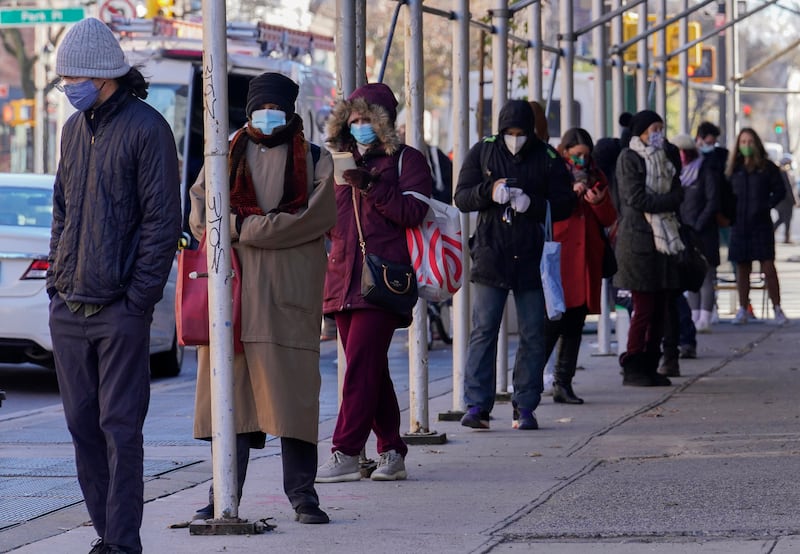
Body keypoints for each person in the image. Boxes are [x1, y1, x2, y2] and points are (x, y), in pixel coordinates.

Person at [47, 18, 182, 554]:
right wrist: (57, 283)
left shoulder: (148, 129)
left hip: (120, 309)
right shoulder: (71, 132)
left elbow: (161, 224)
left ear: (104, 77)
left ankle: (123, 543)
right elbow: (62, 212)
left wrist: (138, 302)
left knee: (120, 430)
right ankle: (106, 534)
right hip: (69, 307)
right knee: (83, 429)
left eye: (72, 78)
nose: (67, 88)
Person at [189, 72, 337, 524]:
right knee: (230, 404)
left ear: (290, 111)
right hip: (231, 301)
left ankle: (303, 496)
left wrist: (242, 228)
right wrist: (250, 229)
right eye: (261, 107)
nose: (268, 116)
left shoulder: (315, 158)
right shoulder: (222, 154)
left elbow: (314, 218)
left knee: (294, 401)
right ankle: (222, 495)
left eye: (276, 108)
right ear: (248, 111)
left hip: (286, 300)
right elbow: (201, 215)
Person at [316, 83, 432, 482]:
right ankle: (392, 450)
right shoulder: (337, 161)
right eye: (354, 118)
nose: (360, 125)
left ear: (383, 122)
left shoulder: (405, 161)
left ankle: (345, 449)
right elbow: (331, 221)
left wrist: (370, 185)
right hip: (343, 279)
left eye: (368, 119)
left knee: (360, 366)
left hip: (384, 277)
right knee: (370, 368)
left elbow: (413, 211)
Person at [454, 99, 574, 430]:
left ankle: (525, 405)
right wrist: (488, 192)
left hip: (532, 260)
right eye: (510, 132)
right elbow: (461, 196)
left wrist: (532, 204)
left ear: (531, 132)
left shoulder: (547, 157)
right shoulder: (483, 151)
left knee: (534, 332)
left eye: (521, 132)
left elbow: (566, 203)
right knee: (484, 330)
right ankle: (477, 405)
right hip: (491, 255)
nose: (515, 137)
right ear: (500, 130)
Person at [546, 128, 616, 404]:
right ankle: (527, 382)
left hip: (586, 259)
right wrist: (571, 194)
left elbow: (609, 217)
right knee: (551, 323)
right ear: (565, 152)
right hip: (561, 258)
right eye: (576, 155)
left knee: (575, 323)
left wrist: (597, 203)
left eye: (586, 155)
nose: (581, 161)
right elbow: (552, 211)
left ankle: (564, 382)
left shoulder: (597, 176)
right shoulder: (555, 175)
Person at [614, 110, 683, 387]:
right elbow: (636, 198)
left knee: (660, 308)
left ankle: (651, 363)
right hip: (639, 243)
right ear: (641, 131)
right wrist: (668, 201)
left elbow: (679, 190)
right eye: (653, 128)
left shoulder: (666, 157)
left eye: (660, 128)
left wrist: (669, 198)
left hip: (665, 242)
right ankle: (633, 364)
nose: (658, 133)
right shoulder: (628, 158)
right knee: (643, 307)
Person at [725, 128, 788, 325]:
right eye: (743, 142)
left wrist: (765, 206)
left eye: (750, 141)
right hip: (740, 225)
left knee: (768, 267)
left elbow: (780, 191)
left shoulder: (767, 168)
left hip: (761, 224)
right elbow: (726, 195)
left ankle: (777, 308)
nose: (746, 146)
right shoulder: (734, 169)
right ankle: (743, 308)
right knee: (742, 268)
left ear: (756, 143)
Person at [672, 134, 720, 335]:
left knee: (707, 276)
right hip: (685, 232)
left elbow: (712, 200)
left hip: (704, 232)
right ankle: (694, 316)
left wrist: (699, 224)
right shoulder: (676, 173)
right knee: (690, 276)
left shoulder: (705, 170)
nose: (681, 155)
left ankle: (705, 317)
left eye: (684, 151)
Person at [773, 156, 798, 244]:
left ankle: (776, 233)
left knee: (782, 219)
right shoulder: (784, 173)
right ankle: (786, 237)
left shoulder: (780, 173)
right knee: (786, 219)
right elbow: (789, 189)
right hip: (786, 202)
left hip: (782, 201)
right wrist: (795, 201)